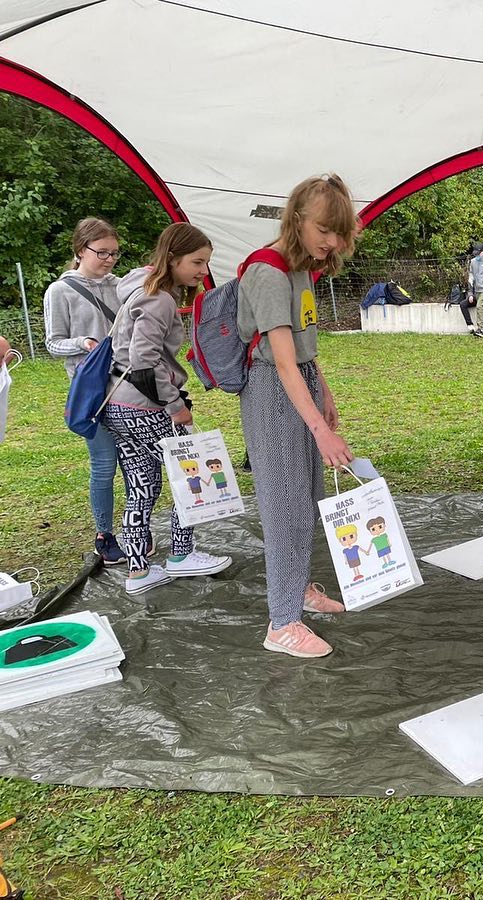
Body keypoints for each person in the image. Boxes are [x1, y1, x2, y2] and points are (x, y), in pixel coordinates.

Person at [238, 173, 359, 659]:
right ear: (297, 219)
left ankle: (299, 588)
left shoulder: (303, 268)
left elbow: (305, 346)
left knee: (306, 497)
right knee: (285, 506)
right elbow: (281, 360)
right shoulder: (267, 273)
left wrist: (323, 390)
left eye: (339, 232)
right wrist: (320, 431)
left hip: (301, 380)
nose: (331, 243)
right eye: (324, 230)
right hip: (272, 390)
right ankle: (281, 622)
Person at [101, 223, 232, 596]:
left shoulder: (137, 289)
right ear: (172, 258)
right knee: (188, 478)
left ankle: (139, 570)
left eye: (206, 263)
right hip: (147, 407)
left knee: (142, 488)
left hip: (117, 405)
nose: (203, 271)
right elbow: (144, 359)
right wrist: (175, 406)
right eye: (197, 262)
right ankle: (181, 554)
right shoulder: (159, 299)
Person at [43, 217, 128, 565]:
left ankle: (136, 530)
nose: (108, 259)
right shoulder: (60, 290)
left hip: (127, 384)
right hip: (92, 390)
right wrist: (83, 343)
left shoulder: (121, 285)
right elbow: (53, 343)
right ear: (80, 250)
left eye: (114, 254)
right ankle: (104, 534)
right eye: (102, 252)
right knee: (105, 464)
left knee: (135, 462)